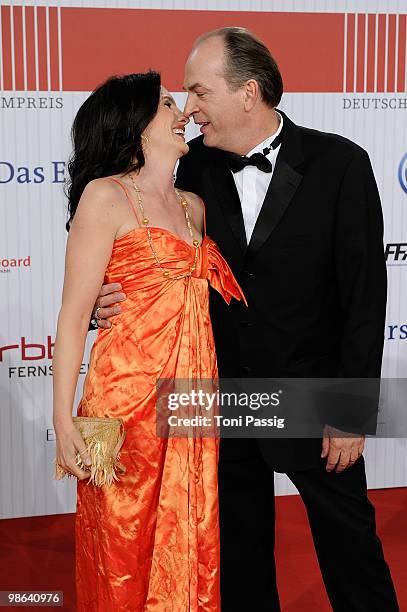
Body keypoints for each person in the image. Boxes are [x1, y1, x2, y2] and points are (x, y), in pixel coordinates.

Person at [93, 30, 399, 612]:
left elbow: (365, 297)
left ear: (248, 92)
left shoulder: (340, 162)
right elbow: (115, 215)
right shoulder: (189, 168)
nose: (188, 108)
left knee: (349, 547)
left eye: (200, 91)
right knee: (238, 558)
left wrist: (351, 410)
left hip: (314, 392)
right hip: (218, 394)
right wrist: (104, 293)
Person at [52, 71, 245, 611]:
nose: (181, 110)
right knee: (121, 550)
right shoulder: (105, 197)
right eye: (165, 105)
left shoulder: (194, 207)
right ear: (135, 126)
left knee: (190, 534)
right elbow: (72, 316)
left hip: (188, 403)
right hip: (124, 409)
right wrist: (63, 419)